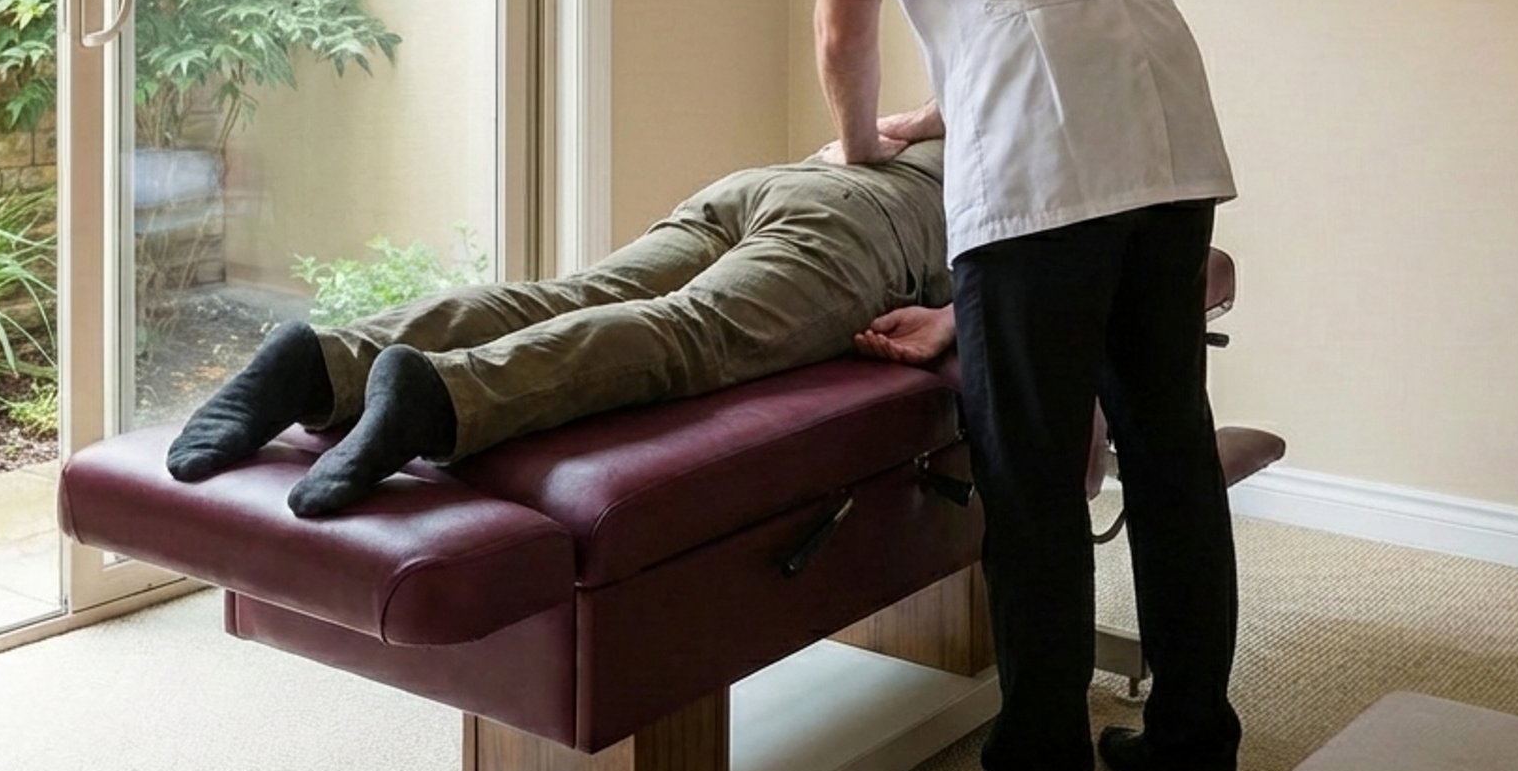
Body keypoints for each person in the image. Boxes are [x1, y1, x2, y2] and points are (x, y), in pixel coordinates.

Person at [813, 0, 1240, 771]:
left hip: (1048, 171)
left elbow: (844, 26)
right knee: (1169, 455)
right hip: (1164, 138)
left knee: (1034, 492)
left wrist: (860, 149)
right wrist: (958, 113)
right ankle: (1194, 748)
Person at [165, 141, 951, 517]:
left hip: (774, 178)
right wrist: (952, 317)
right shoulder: (1055, 129)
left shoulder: (985, 73)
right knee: (691, 332)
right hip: (872, 228)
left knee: (575, 292)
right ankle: (444, 395)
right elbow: (1055, 265)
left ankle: (322, 362)